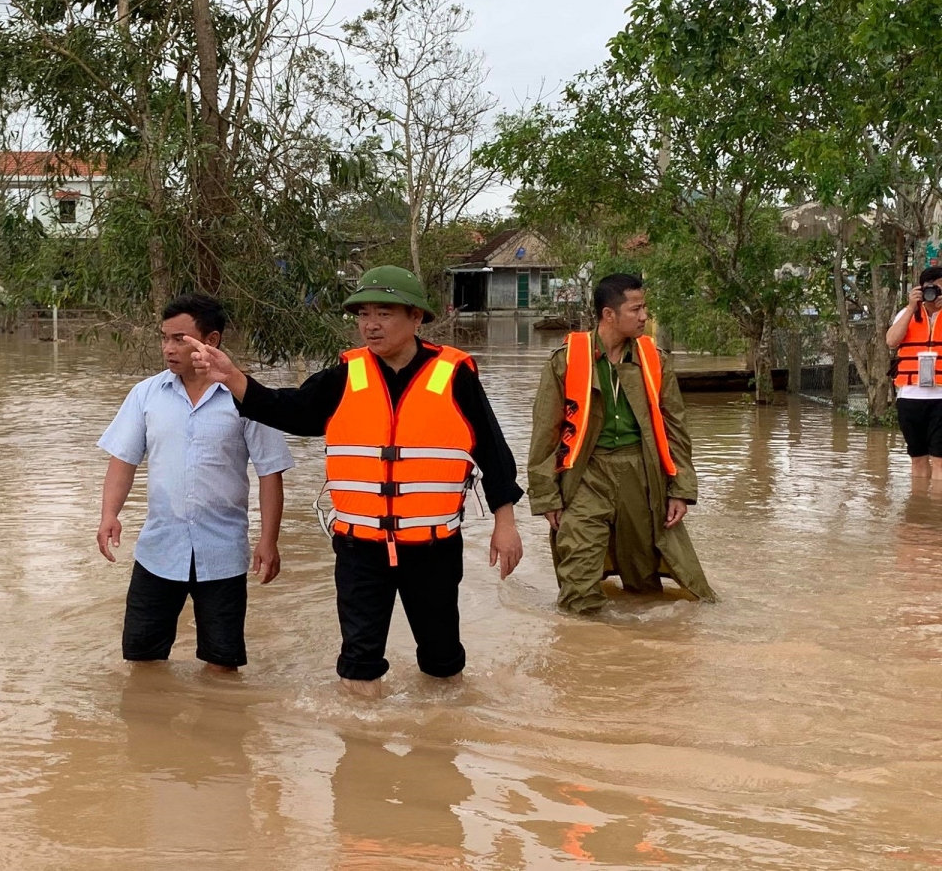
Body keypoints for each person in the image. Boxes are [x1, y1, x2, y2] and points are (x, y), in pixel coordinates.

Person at [185, 266, 524, 696]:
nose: (371, 324)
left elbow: (494, 454)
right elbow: (290, 411)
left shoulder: (455, 375)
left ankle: (439, 746)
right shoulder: (346, 374)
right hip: (359, 547)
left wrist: (505, 522)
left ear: (416, 317)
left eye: (384, 313)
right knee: (359, 662)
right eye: (363, 314)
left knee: (442, 660)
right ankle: (363, 747)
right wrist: (232, 377)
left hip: (433, 547)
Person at [96, 293, 294, 671]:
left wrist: (268, 541)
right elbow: (123, 460)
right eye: (165, 338)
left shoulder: (245, 397)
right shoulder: (146, 394)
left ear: (211, 341)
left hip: (222, 553)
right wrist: (109, 514)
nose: (168, 348)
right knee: (143, 662)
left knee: (222, 667)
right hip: (158, 550)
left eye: (179, 339)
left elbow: (271, 472)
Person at [527, 273, 716, 613]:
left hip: (641, 474)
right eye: (637, 309)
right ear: (609, 315)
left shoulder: (655, 360)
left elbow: (677, 429)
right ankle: (587, 657)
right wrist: (546, 496)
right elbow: (544, 432)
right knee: (578, 585)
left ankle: (640, 657)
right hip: (586, 475)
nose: (645, 316)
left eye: (645, 308)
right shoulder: (566, 360)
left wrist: (680, 491)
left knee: (642, 582)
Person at [886, 266, 942, 480]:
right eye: (930, 288)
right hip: (911, 398)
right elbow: (891, 341)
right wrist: (910, 307)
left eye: (939, 288)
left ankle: (935, 511)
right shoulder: (907, 313)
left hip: (941, 397)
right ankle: (918, 511)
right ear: (920, 288)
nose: (934, 294)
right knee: (918, 458)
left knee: (940, 460)